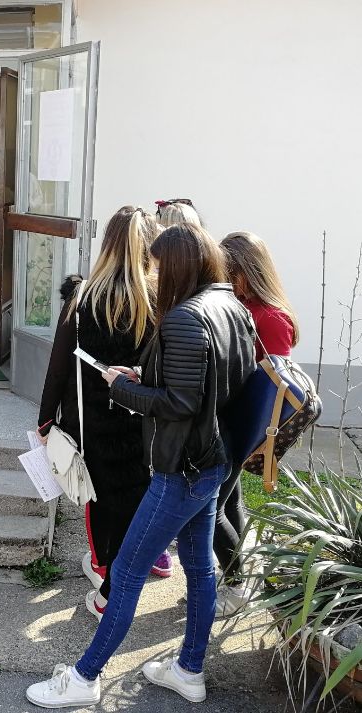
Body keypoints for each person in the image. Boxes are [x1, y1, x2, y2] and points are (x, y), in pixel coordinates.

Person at [25, 223, 256, 708]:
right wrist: (144, 374)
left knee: (127, 571)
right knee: (200, 567)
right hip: (213, 460)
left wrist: (123, 387)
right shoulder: (230, 305)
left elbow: (180, 403)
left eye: (159, 266)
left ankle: (85, 677)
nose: (153, 274)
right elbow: (206, 385)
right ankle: (189, 670)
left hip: (182, 468)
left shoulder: (185, 317)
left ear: (179, 266)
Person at [37, 207, 168, 621]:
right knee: (135, 498)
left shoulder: (83, 297)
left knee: (97, 496)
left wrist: (45, 420)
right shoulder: (159, 299)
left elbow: (58, 366)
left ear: (107, 243)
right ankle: (124, 574)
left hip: (90, 421)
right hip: (142, 420)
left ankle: (104, 569)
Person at [214, 231, 298, 615]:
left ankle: (235, 585)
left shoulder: (271, 318)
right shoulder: (244, 307)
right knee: (230, 501)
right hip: (230, 421)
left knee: (210, 508)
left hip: (243, 426)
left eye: (227, 271)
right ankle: (237, 576)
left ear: (246, 272)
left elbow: (273, 387)